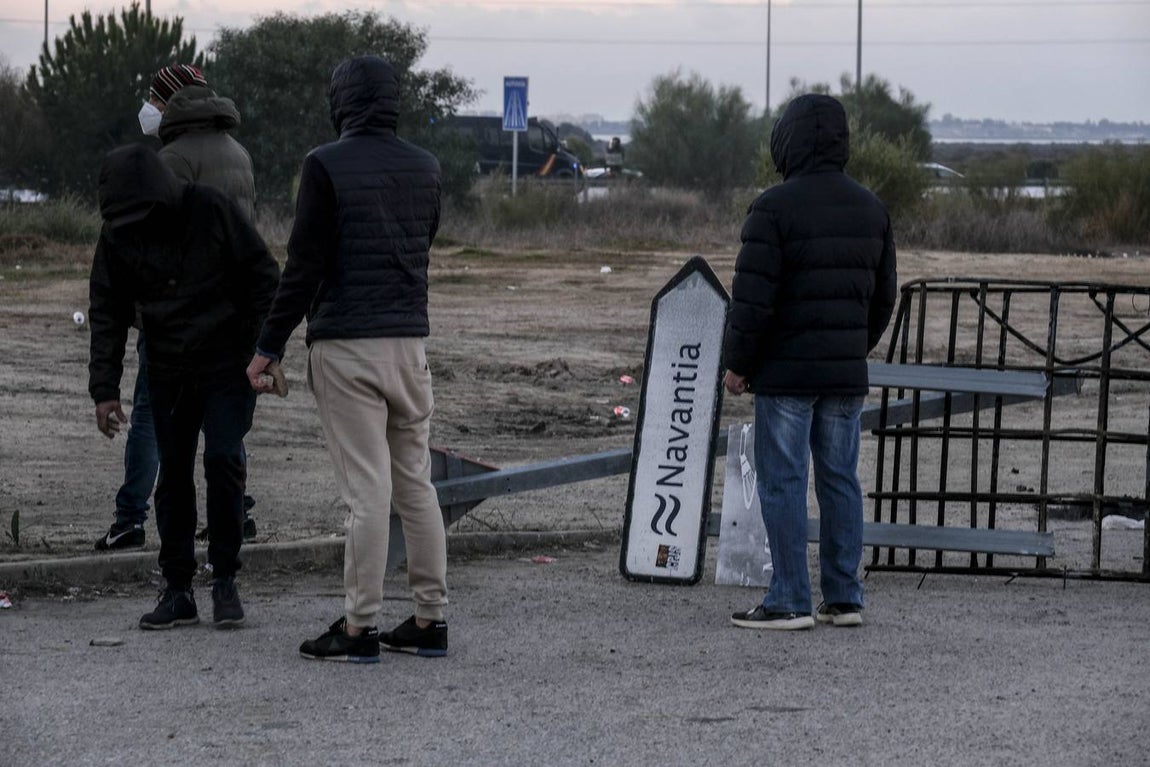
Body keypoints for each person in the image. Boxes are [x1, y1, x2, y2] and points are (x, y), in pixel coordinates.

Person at [247, 55, 449, 663]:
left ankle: (359, 628)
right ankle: (429, 619)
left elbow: (304, 267)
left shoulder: (324, 165)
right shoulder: (427, 166)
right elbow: (424, 241)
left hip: (346, 348)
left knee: (367, 493)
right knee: (416, 484)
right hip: (410, 344)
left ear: (342, 101)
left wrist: (266, 346)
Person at [721, 93, 897, 631]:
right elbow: (885, 296)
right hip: (845, 374)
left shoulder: (772, 208)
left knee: (784, 481)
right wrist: (852, 347)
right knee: (841, 480)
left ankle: (790, 599)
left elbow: (754, 301)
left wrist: (738, 364)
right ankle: (845, 598)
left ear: (788, 139)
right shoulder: (872, 207)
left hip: (787, 375)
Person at [88, 144, 280, 629]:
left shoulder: (211, 209)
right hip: (167, 366)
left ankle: (225, 579)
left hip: (227, 361)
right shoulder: (116, 235)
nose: (136, 225)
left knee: (223, 458)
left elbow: (263, 277)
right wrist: (104, 389)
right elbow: (107, 311)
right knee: (172, 476)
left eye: (144, 214)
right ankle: (177, 590)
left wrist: (268, 350)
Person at [95, 64, 259, 551]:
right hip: (230, 319)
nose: (148, 106)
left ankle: (130, 516)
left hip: (174, 317)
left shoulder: (171, 159)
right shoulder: (239, 153)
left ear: (172, 102)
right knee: (225, 425)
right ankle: (237, 511)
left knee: (150, 416)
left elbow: (157, 244)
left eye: (153, 97)